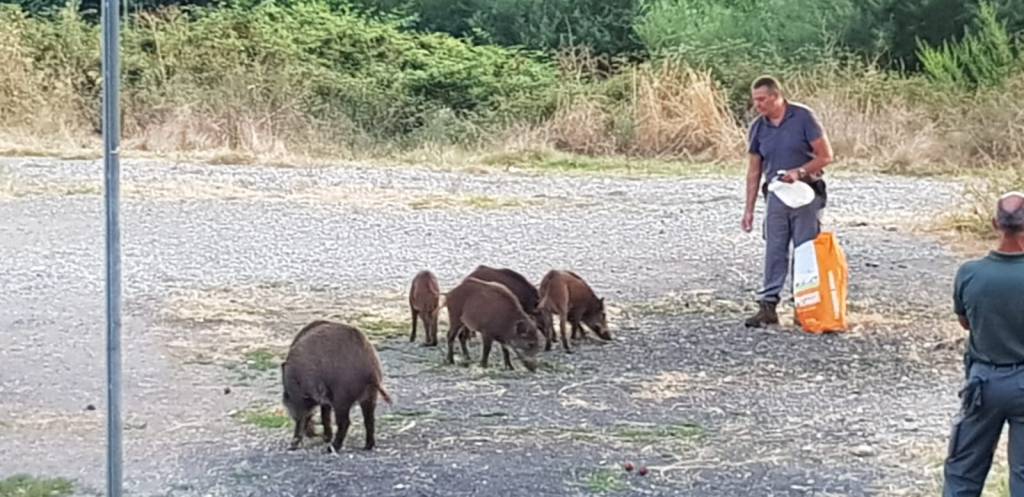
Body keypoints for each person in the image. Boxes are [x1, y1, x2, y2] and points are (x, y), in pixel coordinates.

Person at [942, 191, 1024, 497]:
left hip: (984, 382)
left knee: (963, 469)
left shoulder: (970, 273)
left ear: (994, 224)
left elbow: (966, 323)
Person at [741, 75, 834, 327]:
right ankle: (768, 305)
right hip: (776, 193)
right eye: (755, 100)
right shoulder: (758, 127)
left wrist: (800, 172)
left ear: (776, 96)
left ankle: (804, 306)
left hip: (806, 192)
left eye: (762, 99)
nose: (757, 105)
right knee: (774, 248)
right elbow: (753, 171)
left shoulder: (803, 117)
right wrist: (748, 209)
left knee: (805, 250)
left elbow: (826, 156)